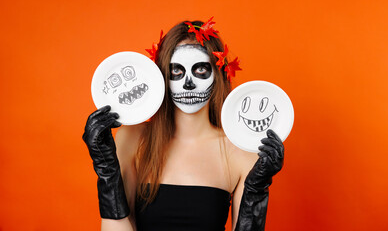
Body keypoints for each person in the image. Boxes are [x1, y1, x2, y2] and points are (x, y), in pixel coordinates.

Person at [82, 19, 285, 231]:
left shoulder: (241, 151)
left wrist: (256, 191)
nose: (188, 84)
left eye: (200, 70)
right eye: (176, 71)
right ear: (161, 76)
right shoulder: (133, 138)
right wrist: (107, 172)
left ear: (218, 75)